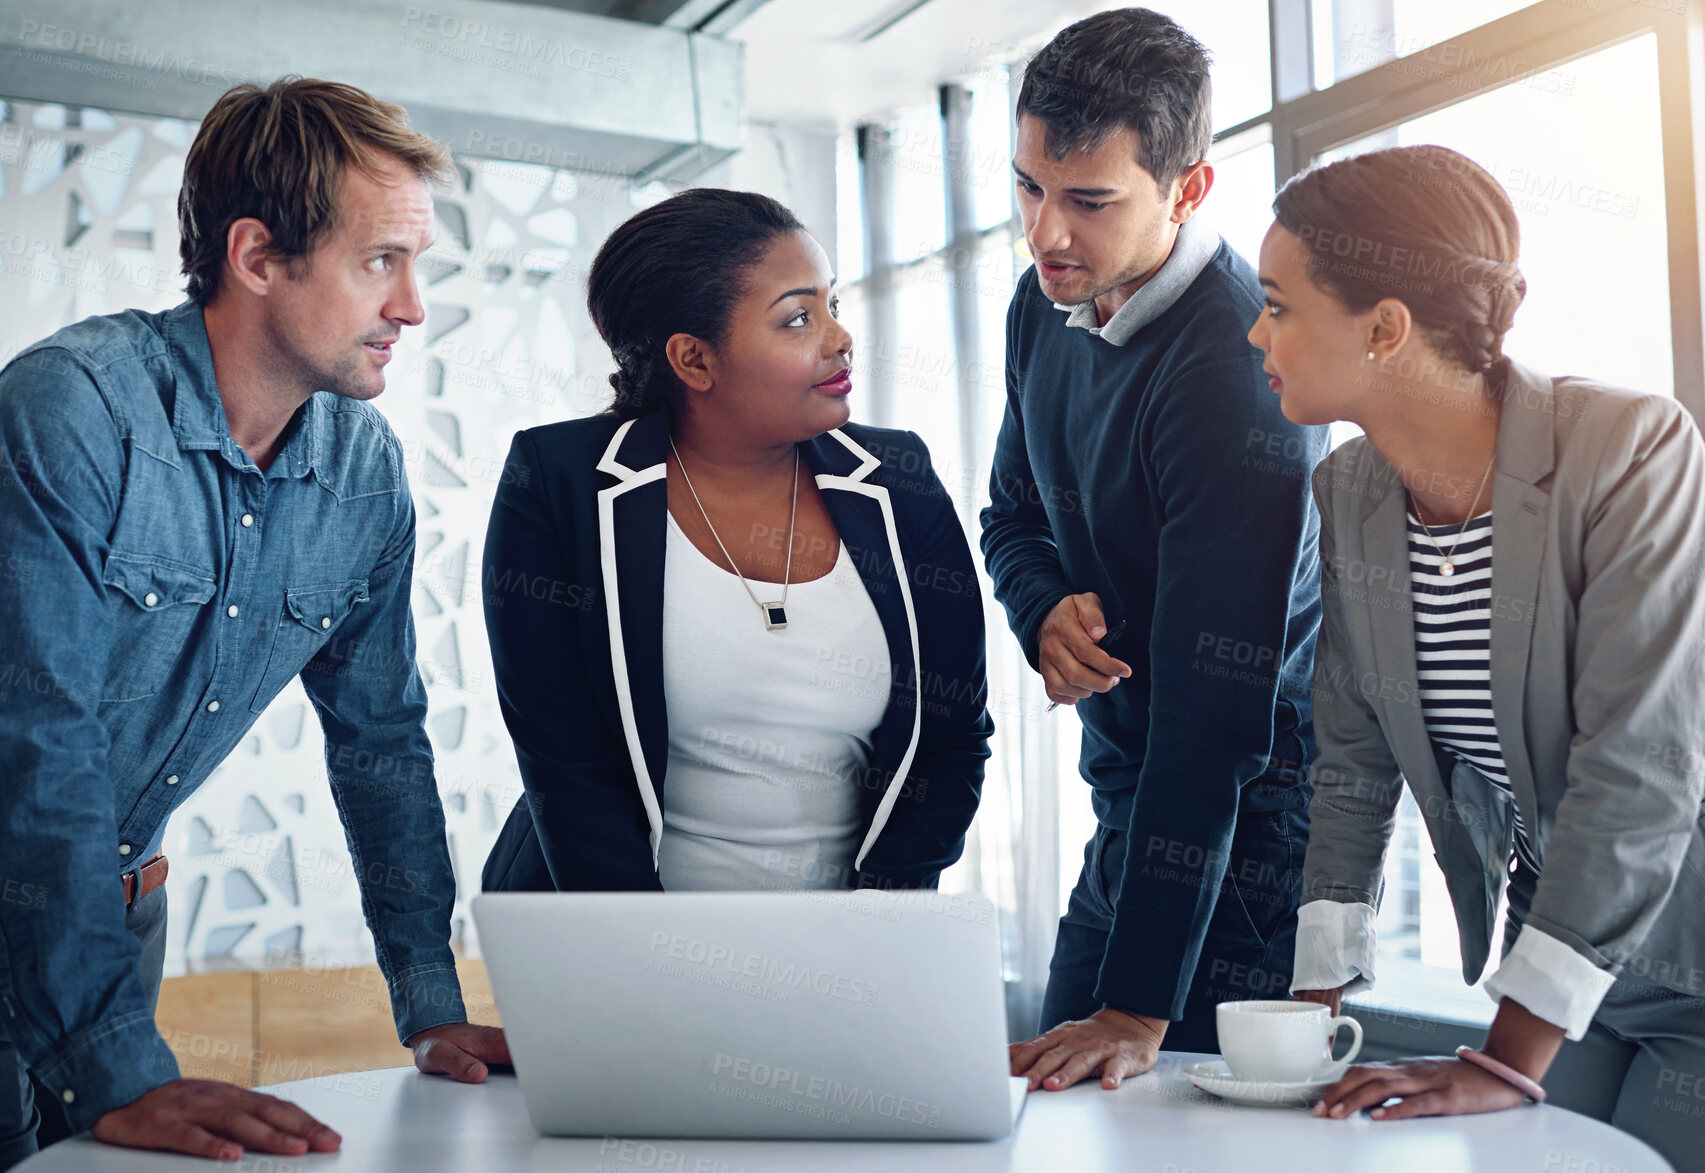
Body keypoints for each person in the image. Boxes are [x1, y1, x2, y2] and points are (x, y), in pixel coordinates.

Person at [0, 78, 507, 1170]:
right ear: (258, 256)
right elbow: (37, 739)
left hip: (121, 914)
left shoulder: (364, 474)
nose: (412, 306)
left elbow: (383, 743)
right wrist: (116, 1064)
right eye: (381, 262)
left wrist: (428, 998)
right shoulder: (70, 412)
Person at [1252, 144, 1705, 1173]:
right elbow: (1352, 762)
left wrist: (1503, 1062)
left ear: (1383, 328)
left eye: (1278, 304)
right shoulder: (1352, 492)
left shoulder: (1632, 447)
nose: (1256, 331)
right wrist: (1308, 1015)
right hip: (1558, 950)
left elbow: (1638, 767)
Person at [981, 8, 1329, 1093]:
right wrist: (1039, 602)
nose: (1046, 234)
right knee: (1052, 1102)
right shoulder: (1043, 306)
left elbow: (1217, 721)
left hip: (1249, 823)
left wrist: (1137, 1009)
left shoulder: (1237, 376)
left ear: (1187, 190)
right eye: (1030, 186)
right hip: (1134, 795)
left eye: (1089, 201)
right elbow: (1010, 513)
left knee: (1167, 1128)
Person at [479, 188, 993, 900]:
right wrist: (647, 960)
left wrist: (876, 923)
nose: (840, 338)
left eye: (832, 304)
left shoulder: (899, 480)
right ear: (693, 359)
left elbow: (953, 736)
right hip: (611, 940)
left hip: (850, 951)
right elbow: (566, 761)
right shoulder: (559, 482)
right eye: (797, 318)